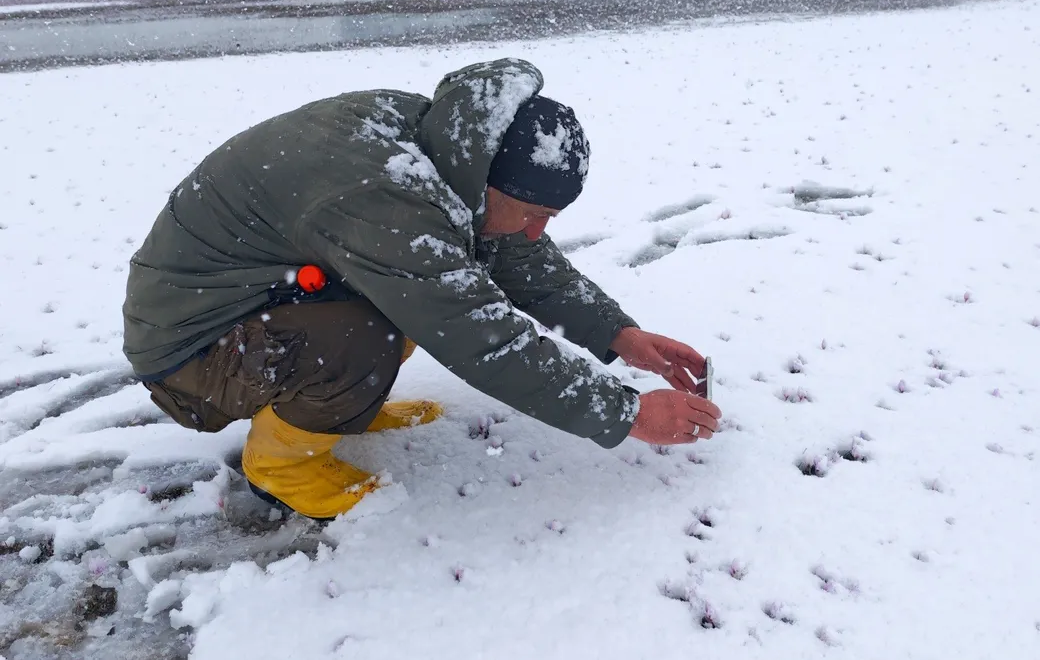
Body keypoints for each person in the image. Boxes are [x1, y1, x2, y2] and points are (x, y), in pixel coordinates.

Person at [122, 58, 721, 521]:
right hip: (191, 359)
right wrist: (625, 413)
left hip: (258, 304)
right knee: (375, 328)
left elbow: (508, 249)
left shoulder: (448, 147)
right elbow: (480, 337)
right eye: (533, 213)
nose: (537, 231)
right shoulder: (387, 197)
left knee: (406, 298)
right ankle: (281, 466)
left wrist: (617, 335)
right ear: (489, 182)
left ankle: (337, 406)